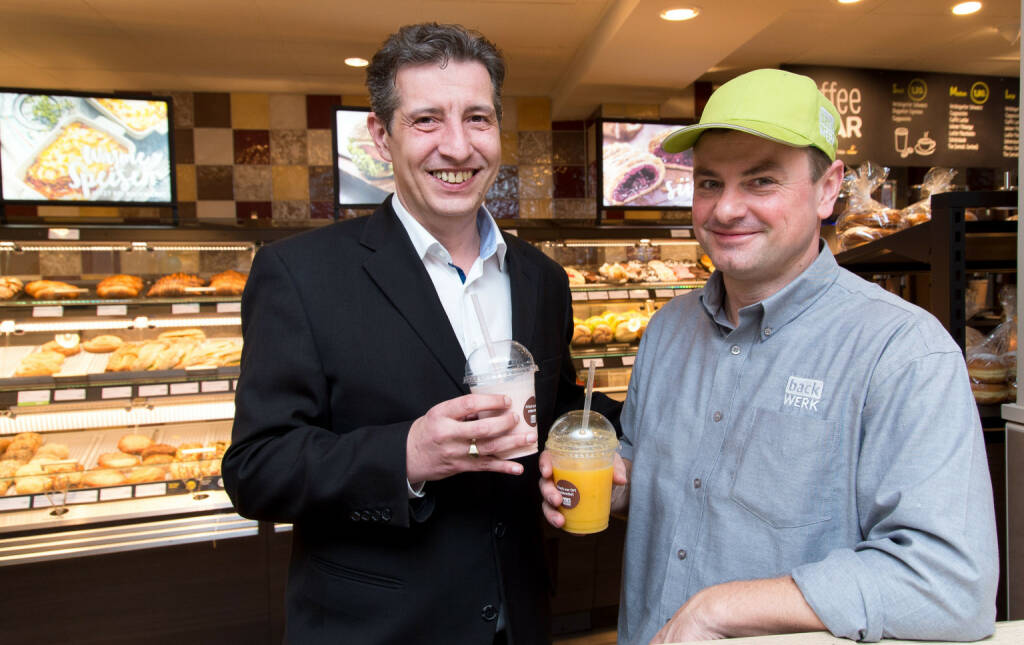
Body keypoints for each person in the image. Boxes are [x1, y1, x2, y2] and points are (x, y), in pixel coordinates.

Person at [539, 69, 999, 644]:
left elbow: (949, 584)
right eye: (709, 183)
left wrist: (723, 609)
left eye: (760, 182)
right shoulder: (666, 331)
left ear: (828, 189)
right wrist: (614, 477)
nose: (726, 209)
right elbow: (658, 474)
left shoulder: (902, 351)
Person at [223, 22, 619, 645]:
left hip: (519, 616)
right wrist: (406, 454)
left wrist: (606, 437)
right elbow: (256, 469)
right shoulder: (301, 274)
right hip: (379, 627)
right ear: (382, 136)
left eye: (478, 119)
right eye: (428, 120)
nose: (458, 148)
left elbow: (560, 402)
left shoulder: (541, 276)